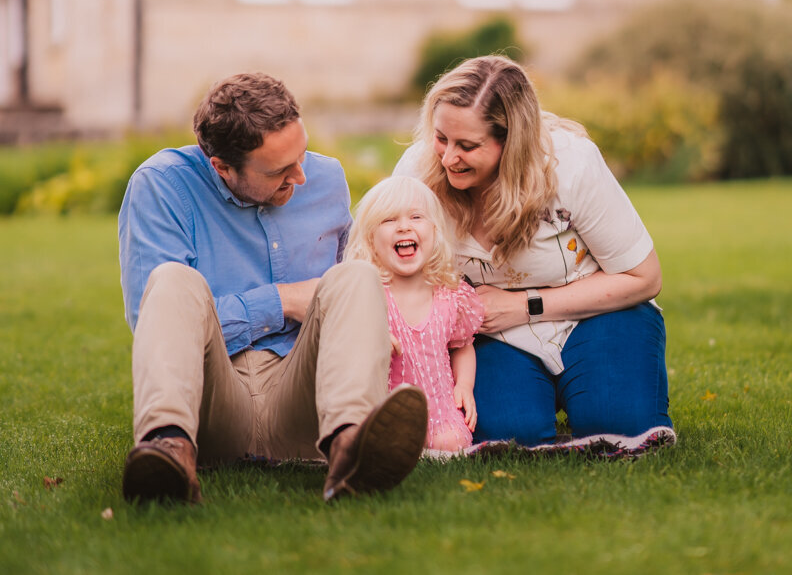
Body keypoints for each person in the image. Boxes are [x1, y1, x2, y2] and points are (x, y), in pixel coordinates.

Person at [118, 72, 428, 504]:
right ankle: (170, 454)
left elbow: (346, 300)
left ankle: (350, 450)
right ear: (222, 167)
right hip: (211, 404)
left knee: (354, 276)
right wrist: (283, 300)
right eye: (280, 170)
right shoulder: (163, 187)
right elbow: (153, 326)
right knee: (171, 281)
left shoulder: (326, 178)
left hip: (304, 403)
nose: (301, 177)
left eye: (301, 155)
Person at [394, 55, 674, 449]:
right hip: (490, 334)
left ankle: (605, 385)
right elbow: (382, 266)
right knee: (509, 435)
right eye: (441, 137)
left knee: (619, 430)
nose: (447, 157)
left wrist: (524, 305)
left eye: (468, 146)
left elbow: (644, 277)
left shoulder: (572, 164)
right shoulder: (418, 173)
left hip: (597, 314)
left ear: (512, 141)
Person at [343, 176, 484, 452]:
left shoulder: (450, 296)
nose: (404, 226)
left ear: (434, 231)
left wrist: (465, 385)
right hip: (385, 411)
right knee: (387, 442)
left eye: (416, 217)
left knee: (451, 442)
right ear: (371, 240)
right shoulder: (370, 295)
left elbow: (462, 346)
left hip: (441, 411)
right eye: (389, 220)